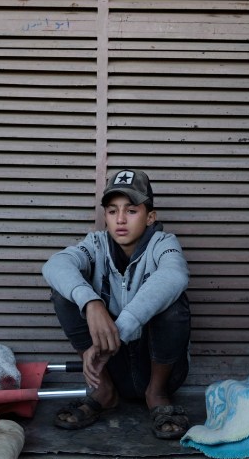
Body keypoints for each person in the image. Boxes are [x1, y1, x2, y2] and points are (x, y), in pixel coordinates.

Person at [42, 169, 192, 439]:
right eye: (112, 211)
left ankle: (156, 395)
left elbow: (175, 275)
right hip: (108, 366)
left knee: (173, 301)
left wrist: (119, 329)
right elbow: (55, 264)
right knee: (65, 293)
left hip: (157, 367)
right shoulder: (96, 244)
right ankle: (103, 391)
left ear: (150, 217)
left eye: (131, 211)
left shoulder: (163, 243)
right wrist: (91, 303)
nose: (120, 220)